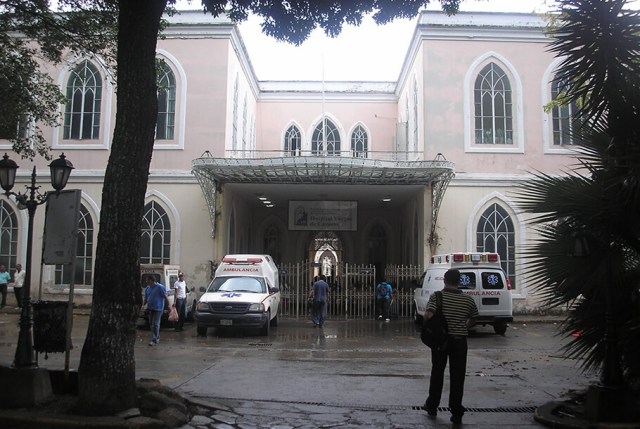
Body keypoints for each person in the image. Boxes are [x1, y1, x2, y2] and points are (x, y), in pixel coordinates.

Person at [422, 268, 479, 425]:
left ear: (444, 280)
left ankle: (432, 405)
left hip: (441, 342)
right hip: (460, 341)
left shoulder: (437, 297)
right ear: (459, 282)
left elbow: (429, 314)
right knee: (458, 376)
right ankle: (456, 411)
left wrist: (429, 320)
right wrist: (464, 324)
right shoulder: (468, 300)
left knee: (437, 372)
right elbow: (474, 317)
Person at [141, 275, 170, 346]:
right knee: (151, 323)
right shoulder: (148, 288)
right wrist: (143, 305)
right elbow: (146, 298)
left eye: (147, 280)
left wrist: (168, 306)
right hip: (150, 308)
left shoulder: (160, 287)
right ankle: (157, 336)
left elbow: (165, 297)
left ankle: (154, 340)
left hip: (158, 308)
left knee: (156, 324)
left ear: (151, 280)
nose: (146, 281)